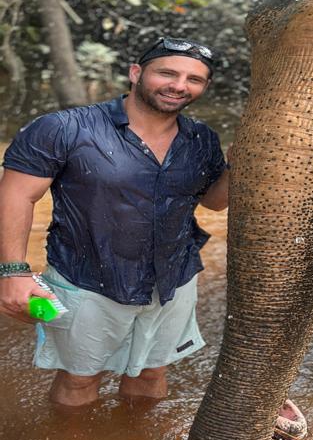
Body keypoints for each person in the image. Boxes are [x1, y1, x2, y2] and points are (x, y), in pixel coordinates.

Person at [0, 36, 230, 406]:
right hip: (86, 279)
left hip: (175, 278)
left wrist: (243, 164)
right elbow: (16, 196)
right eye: (167, 73)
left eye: (194, 79)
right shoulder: (64, 128)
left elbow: (214, 203)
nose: (179, 85)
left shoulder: (201, 138)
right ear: (136, 73)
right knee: (79, 379)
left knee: (152, 371)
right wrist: (13, 271)